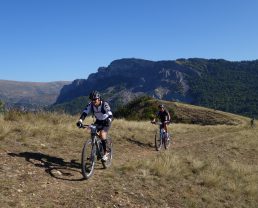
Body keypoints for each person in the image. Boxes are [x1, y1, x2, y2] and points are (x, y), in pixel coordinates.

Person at [76, 90, 113, 161]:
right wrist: (80, 121)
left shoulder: (104, 104)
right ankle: (93, 153)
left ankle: (106, 152)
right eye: (92, 99)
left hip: (106, 121)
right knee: (92, 132)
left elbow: (110, 113)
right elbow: (85, 113)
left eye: (95, 99)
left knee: (102, 134)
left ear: (99, 98)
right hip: (98, 121)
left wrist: (109, 120)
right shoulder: (91, 105)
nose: (93, 101)